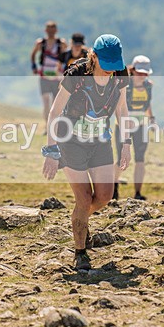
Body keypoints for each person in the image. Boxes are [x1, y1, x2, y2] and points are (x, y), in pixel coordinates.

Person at [42, 34, 132, 271]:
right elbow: (54, 112)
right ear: (94, 57)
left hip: (100, 141)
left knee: (104, 196)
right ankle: (80, 251)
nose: (111, 71)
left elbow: (122, 111)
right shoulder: (76, 75)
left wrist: (126, 143)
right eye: (107, 65)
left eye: (115, 66)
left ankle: (79, 219)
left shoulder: (120, 76)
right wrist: (51, 151)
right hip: (71, 142)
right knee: (83, 199)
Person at [113, 55, 155, 201]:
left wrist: (152, 118)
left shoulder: (148, 85)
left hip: (141, 126)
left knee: (140, 158)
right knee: (121, 159)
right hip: (123, 126)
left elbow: (147, 103)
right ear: (133, 70)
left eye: (145, 73)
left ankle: (137, 193)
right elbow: (117, 106)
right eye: (140, 72)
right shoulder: (124, 85)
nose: (142, 76)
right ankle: (114, 189)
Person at [30, 21, 67, 123]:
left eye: (52, 30)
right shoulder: (40, 43)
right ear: (45, 30)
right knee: (46, 102)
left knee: (55, 103)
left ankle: (54, 125)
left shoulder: (61, 43)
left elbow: (66, 57)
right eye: (49, 30)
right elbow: (33, 54)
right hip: (44, 77)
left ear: (56, 30)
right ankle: (47, 125)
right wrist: (34, 66)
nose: (51, 32)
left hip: (57, 77)